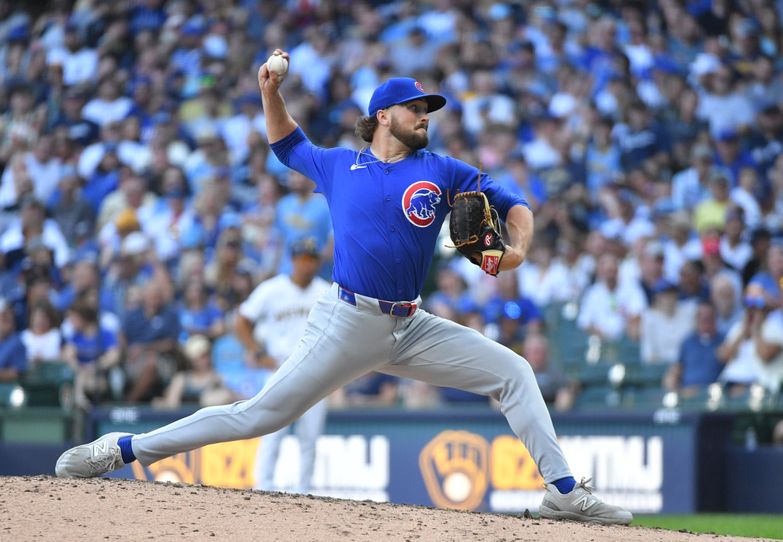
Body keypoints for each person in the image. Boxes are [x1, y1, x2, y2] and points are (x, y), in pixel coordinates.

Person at [55, 54, 632, 525]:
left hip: (411, 326)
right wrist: (269, 90)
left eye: (428, 107)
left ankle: (561, 491)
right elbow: (285, 144)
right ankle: (123, 448)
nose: (425, 114)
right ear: (383, 115)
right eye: (415, 107)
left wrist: (518, 250)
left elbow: (515, 202)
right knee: (257, 416)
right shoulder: (338, 166)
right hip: (344, 320)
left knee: (514, 373)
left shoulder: (443, 169)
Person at [234, 238, 329, 494]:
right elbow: (242, 320)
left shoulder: (325, 290)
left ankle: (305, 490)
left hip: (315, 373)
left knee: (309, 438)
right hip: (280, 369)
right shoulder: (272, 289)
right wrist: (257, 351)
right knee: (271, 431)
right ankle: (263, 486)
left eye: (311, 259)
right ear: (293, 260)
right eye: (302, 259)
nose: (306, 265)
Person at [663, 302, 726, 395]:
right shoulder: (688, 341)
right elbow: (676, 369)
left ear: (715, 319)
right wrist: (674, 386)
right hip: (687, 394)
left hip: (713, 395)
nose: (704, 321)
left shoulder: (724, 340)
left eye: (708, 318)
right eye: (701, 317)